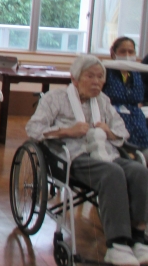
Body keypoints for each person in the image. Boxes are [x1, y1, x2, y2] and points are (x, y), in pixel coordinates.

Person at [26, 55, 148, 266]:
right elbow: (33, 129)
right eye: (90, 76)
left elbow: (121, 132)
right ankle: (117, 244)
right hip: (72, 157)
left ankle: (138, 237)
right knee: (112, 174)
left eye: (100, 77)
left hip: (106, 153)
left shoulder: (103, 101)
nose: (96, 82)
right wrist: (67, 130)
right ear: (74, 78)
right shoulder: (56, 98)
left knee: (139, 172)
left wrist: (108, 131)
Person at [103, 37, 148, 163]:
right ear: (113, 53)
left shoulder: (137, 73)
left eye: (131, 52)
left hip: (138, 123)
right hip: (115, 122)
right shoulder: (106, 72)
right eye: (123, 51)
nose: (127, 55)